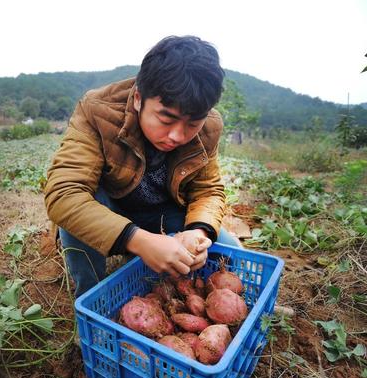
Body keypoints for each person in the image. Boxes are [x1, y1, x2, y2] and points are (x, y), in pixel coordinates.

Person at [44, 36, 241, 297]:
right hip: (112, 209)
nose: (177, 136)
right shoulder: (98, 111)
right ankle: (92, 299)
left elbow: (208, 191)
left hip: (160, 213)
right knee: (79, 209)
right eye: (166, 119)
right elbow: (64, 194)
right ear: (138, 98)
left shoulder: (209, 126)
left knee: (230, 250)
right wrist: (137, 240)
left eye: (192, 124)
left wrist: (199, 230)